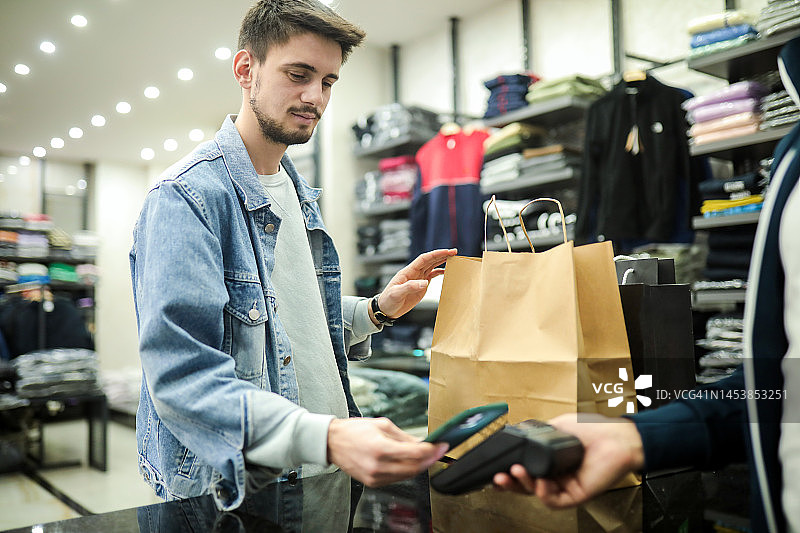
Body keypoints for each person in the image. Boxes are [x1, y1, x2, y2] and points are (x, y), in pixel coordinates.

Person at [129, 0, 452, 511]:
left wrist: (377, 309)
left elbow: (288, 322)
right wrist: (328, 437)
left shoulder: (298, 193)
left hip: (324, 477)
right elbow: (182, 376)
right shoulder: (187, 198)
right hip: (239, 491)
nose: (315, 97)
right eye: (298, 75)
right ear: (246, 69)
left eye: (327, 82)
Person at [493, 36, 800, 533]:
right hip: (618, 232)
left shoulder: (679, 102)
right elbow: (780, 382)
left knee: (663, 339)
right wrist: (639, 436)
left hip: (669, 230)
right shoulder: (792, 153)